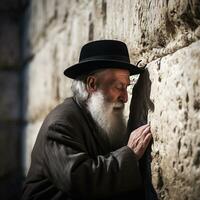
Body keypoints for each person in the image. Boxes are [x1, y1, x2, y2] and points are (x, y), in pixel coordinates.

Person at [22, 40, 152, 200]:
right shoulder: (59, 124)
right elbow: (78, 180)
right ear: (92, 84)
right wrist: (130, 154)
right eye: (119, 87)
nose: (125, 98)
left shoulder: (98, 118)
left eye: (126, 87)